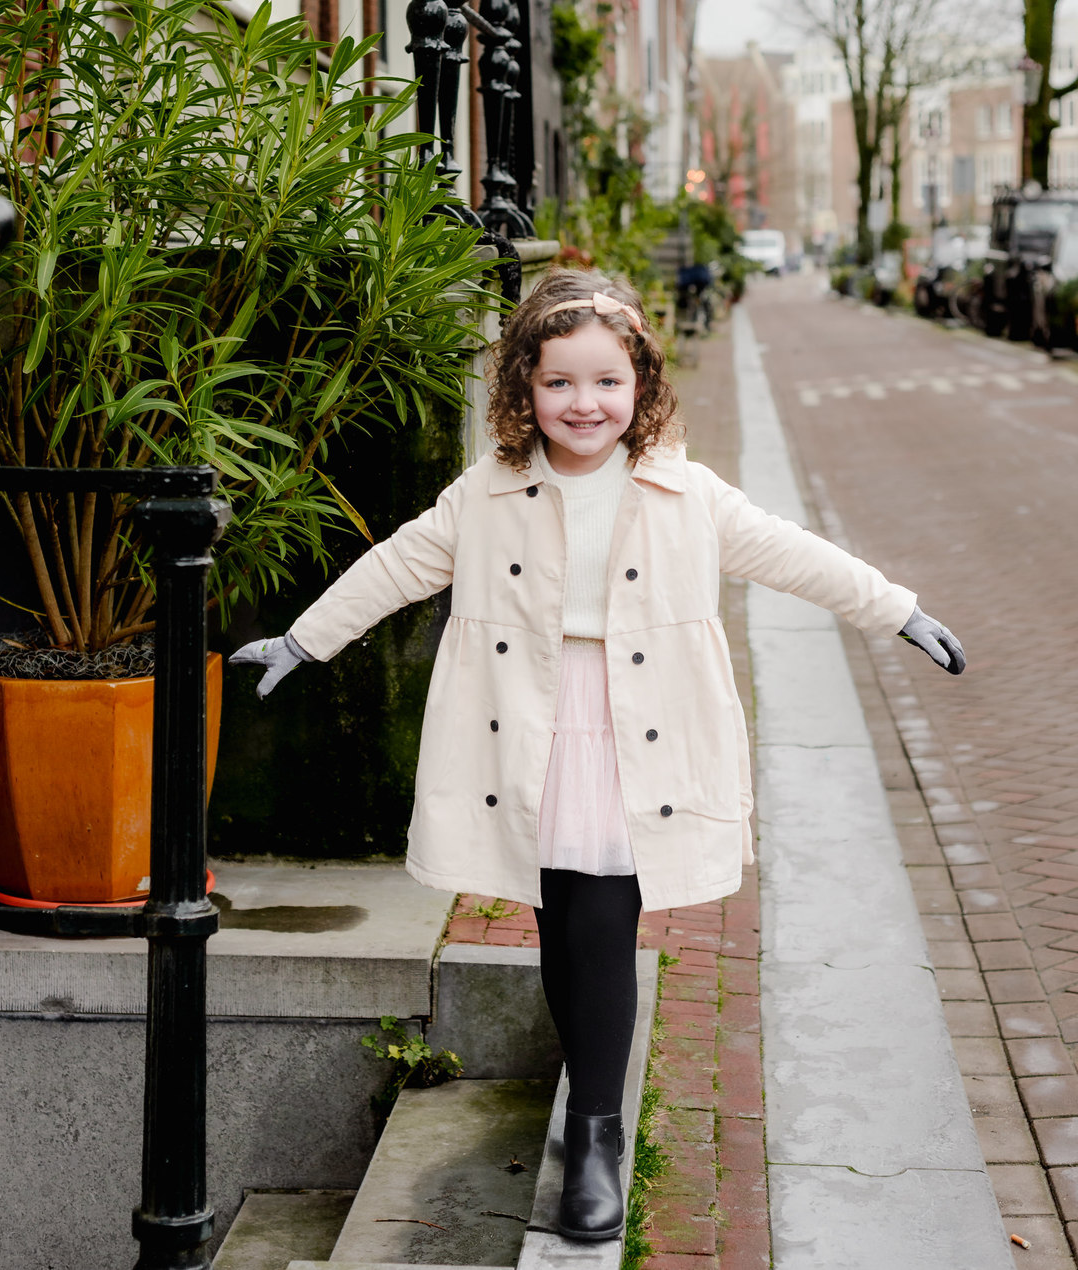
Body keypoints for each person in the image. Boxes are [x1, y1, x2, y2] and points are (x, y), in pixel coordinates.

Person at [230, 267, 965, 1243]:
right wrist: (305, 638)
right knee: (558, 921)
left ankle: (596, 1133)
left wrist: (898, 608)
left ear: (642, 383)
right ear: (523, 389)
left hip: (637, 730)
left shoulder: (683, 489)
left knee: (605, 924)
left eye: (607, 381)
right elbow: (400, 561)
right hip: (528, 727)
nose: (586, 404)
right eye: (560, 383)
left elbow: (794, 552)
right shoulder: (486, 493)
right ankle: (586, 1108)